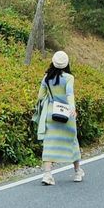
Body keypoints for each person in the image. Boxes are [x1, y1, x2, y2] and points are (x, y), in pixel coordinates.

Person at [36, 50, 84, 186]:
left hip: (51, 114)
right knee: (72, 141)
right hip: (66, 114)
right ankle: (77, 172)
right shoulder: (69, 78)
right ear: (66, 64)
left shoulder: (46, 77)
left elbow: (40, 96)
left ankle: (47, 174)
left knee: (49, 142)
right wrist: (72, 108)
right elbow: (70, 94)